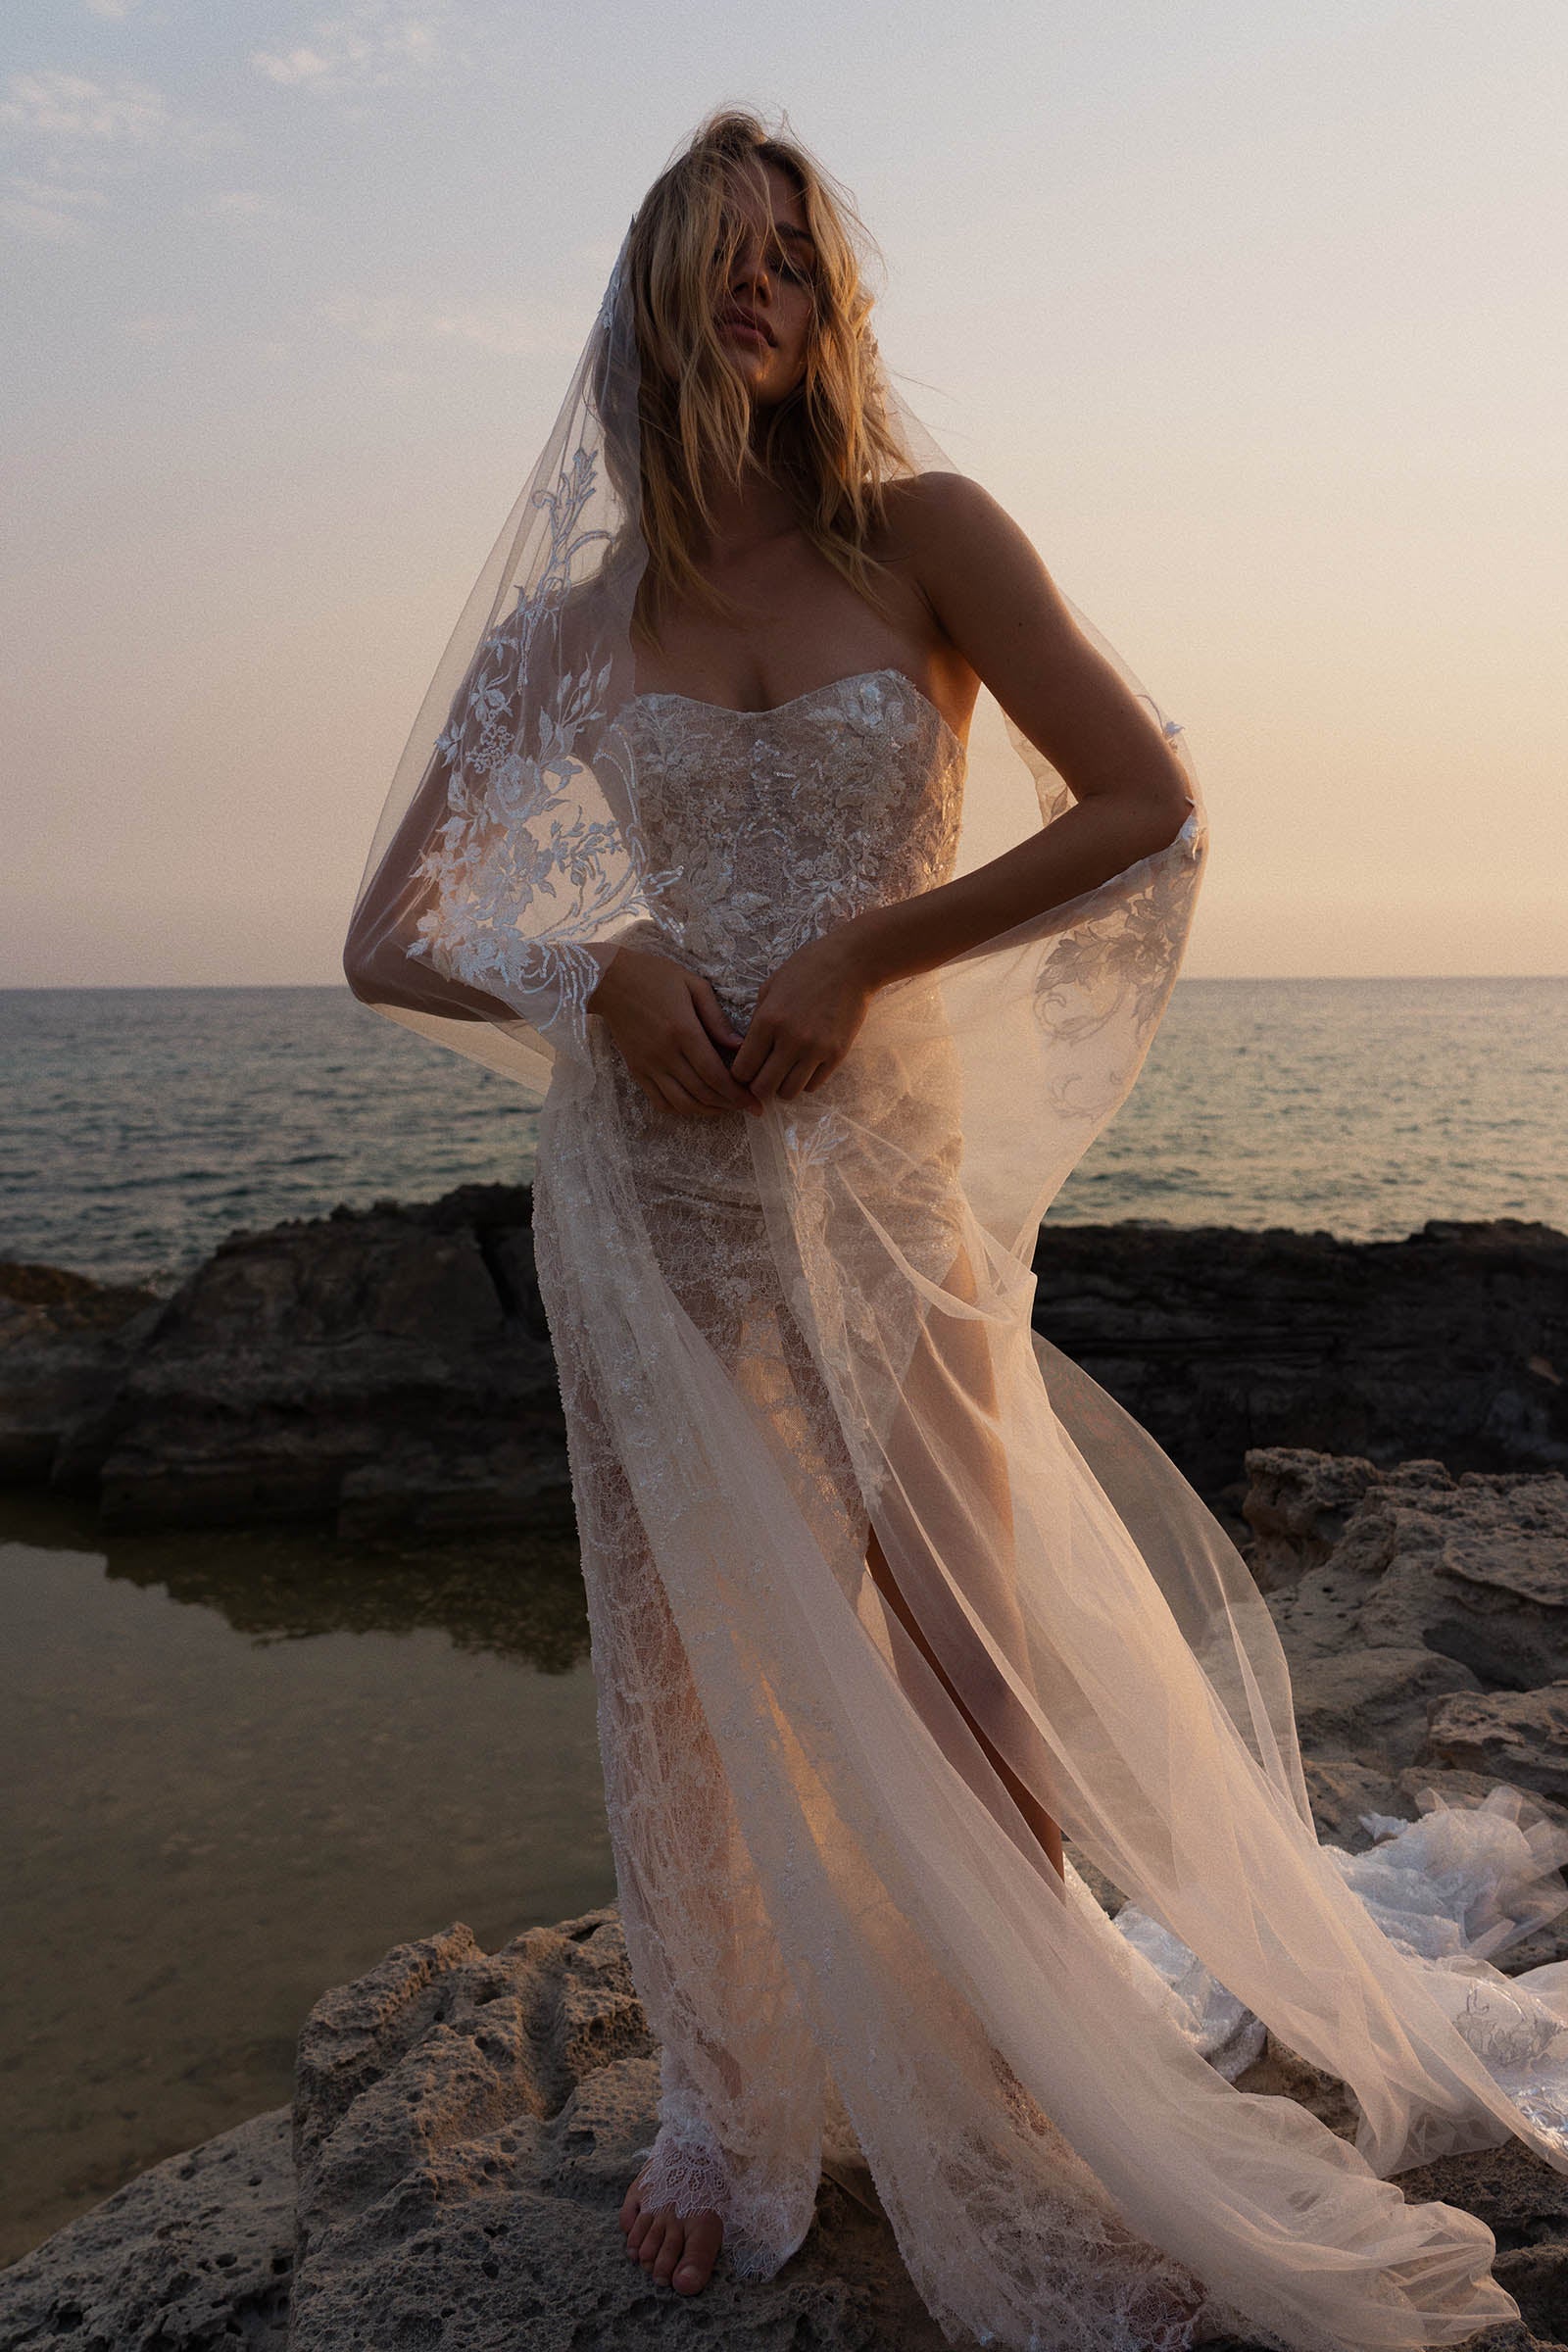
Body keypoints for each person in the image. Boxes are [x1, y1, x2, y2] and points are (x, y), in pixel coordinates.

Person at [345, 109, 1568, 2352]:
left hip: (872, 1174)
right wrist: (593, 964)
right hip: (651, 1201)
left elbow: (1139, 801)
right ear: (645, 298)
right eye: (716, 254)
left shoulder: (922, 541)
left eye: (791, 259)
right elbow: (386, 935)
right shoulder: (566, 626)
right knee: (696, 1662)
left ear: (830, 309)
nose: (757, 285)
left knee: (952, 1634)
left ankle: (1018, 2066)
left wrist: (861, 955)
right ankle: (727, 2104)